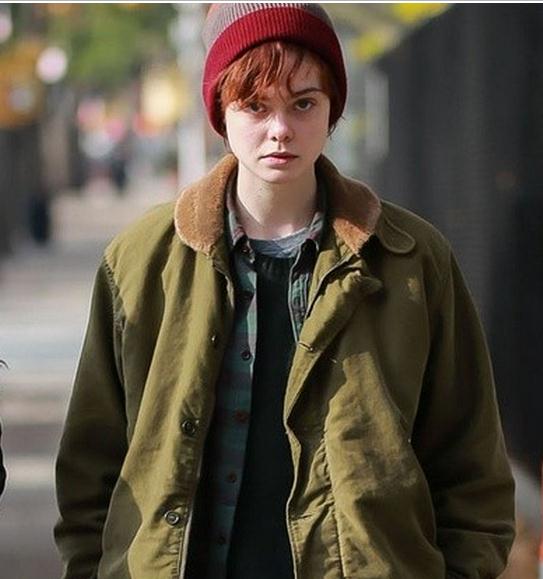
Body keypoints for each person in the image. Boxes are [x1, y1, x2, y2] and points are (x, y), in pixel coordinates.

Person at [55, 4, 515, 578]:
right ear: (220, 111)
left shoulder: (412, 261)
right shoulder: (141, 261)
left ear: (332, 109)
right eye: (255, 105)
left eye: (303, 103)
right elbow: (90, 474)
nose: (280, 129)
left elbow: (472, 472)